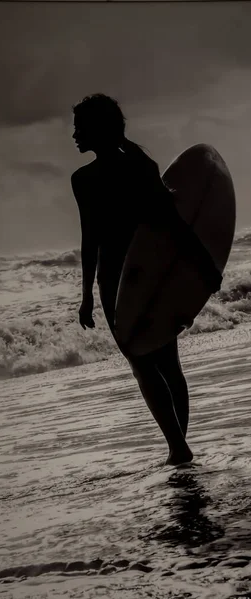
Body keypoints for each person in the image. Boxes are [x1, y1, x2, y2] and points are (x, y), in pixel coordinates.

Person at [71, 94, 222, 467]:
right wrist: (204, 263)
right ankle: (179, 447)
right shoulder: (138, 166)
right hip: (153, 273)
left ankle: (178, 448)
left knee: (143, 363)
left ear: (97, 129)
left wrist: (89, 294)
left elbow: (93, 239)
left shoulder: (91, 178)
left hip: (121, 281)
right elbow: (172, 226)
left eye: (80, 127)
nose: (74, 135)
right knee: (167, 363)